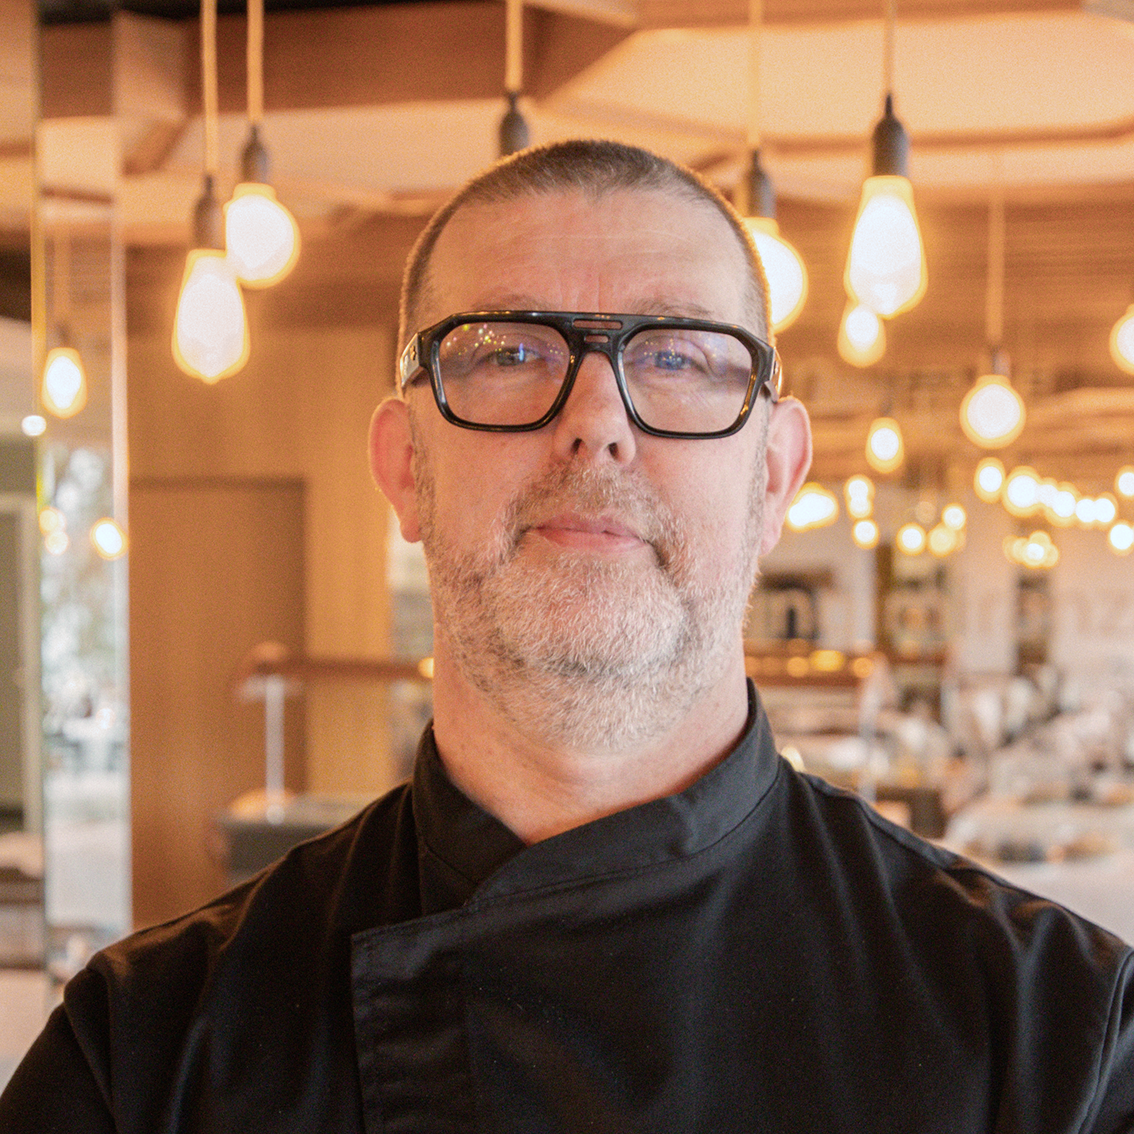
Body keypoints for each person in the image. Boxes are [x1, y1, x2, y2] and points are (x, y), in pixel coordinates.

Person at [2, 139, 1132, 1133]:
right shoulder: (145, 1049)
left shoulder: (1059, 1041)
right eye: (507, 352)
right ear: (406, 468)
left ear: (775, 474)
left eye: (678, 359)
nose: (596, 423)